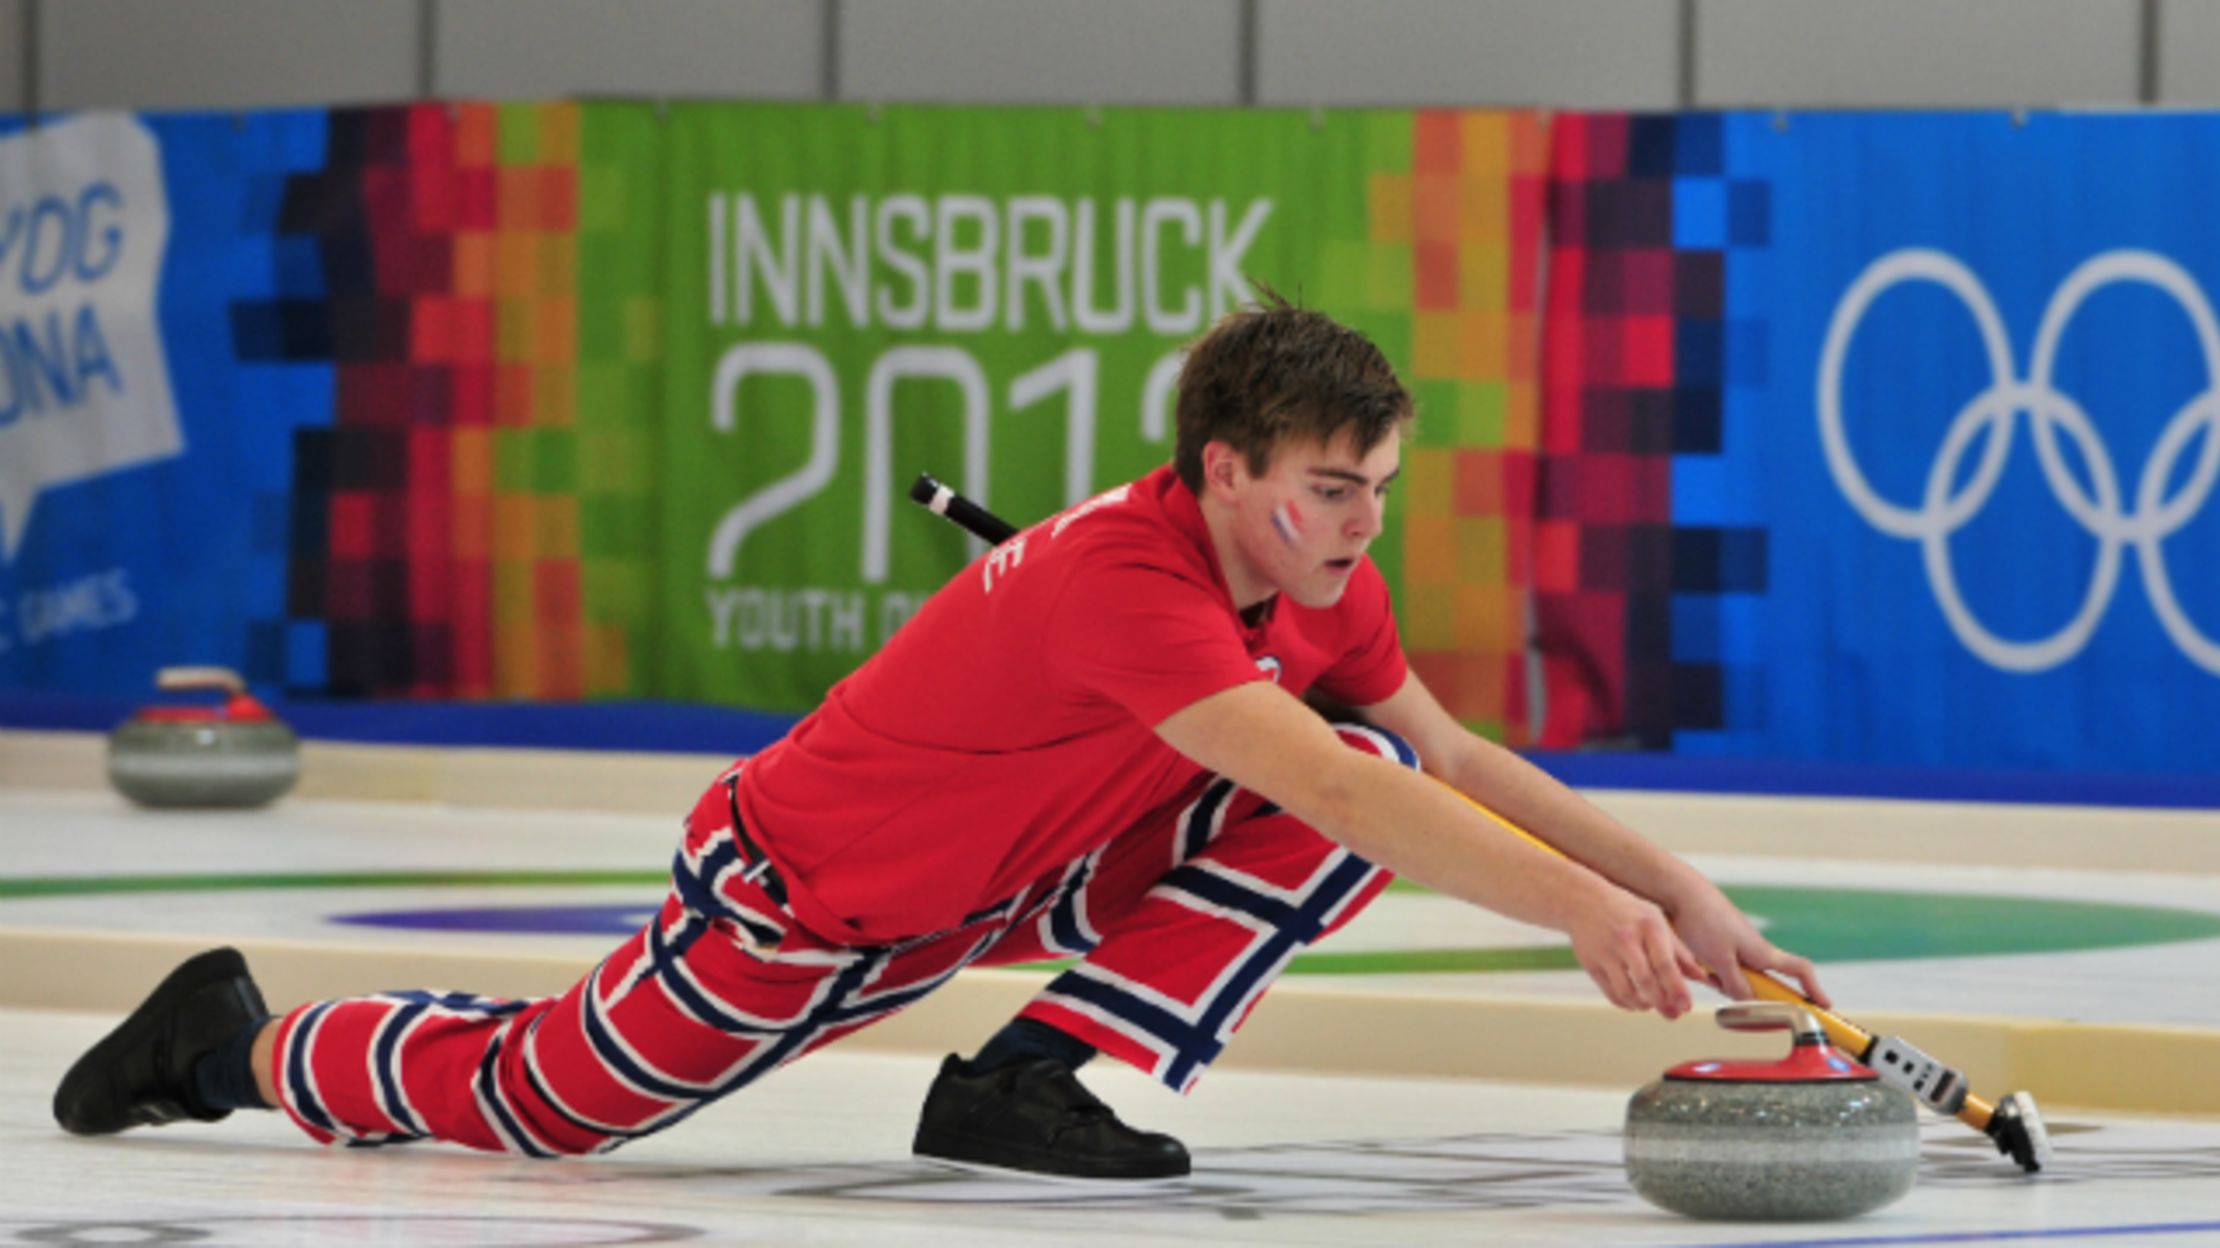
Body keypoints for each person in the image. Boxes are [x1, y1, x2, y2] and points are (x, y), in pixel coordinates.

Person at [54, 292, 1827, 1180]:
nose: (1365, 524)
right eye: (1330, 492)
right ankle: (234, 1045)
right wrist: (1589, 922)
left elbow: (1435, 765)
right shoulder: (1127, 584)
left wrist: (1677, 884)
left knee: (1358, 776)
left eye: (1378, 490)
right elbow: (1306, 782)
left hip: (1019, 886)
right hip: (810, 893)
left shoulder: (1310, 575)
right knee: (538, 1104)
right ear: (1225, 470)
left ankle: (1018, 1082)